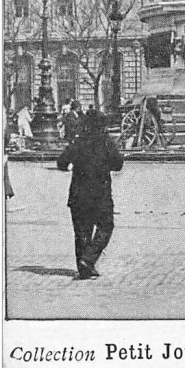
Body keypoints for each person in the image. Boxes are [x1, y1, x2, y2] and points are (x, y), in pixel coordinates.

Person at [56, 108, 123, 279]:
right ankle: (88, 259)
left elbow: (61, 163)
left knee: (81, 231)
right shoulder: (106, 142)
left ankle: (83, 266)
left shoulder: (77, 142)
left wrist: (73, 164)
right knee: (106, 226)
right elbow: (118, 164)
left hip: (78, 195)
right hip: (100, 195)